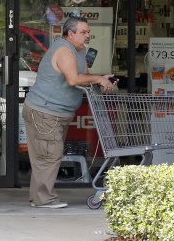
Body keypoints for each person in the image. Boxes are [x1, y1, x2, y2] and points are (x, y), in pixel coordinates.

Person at [22, 16, 116, 209]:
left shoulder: (79, 51)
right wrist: (98, 79)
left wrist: (100, 79)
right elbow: (73, 79)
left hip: (56, 112)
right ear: (70, 33)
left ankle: (39, 198)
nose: (88, 35)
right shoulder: (64, 50)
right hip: (45, 111)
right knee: (49, 155)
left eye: (88, 32)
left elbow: (83, 77)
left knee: (46, 155)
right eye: (83, 32)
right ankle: (43, 199)